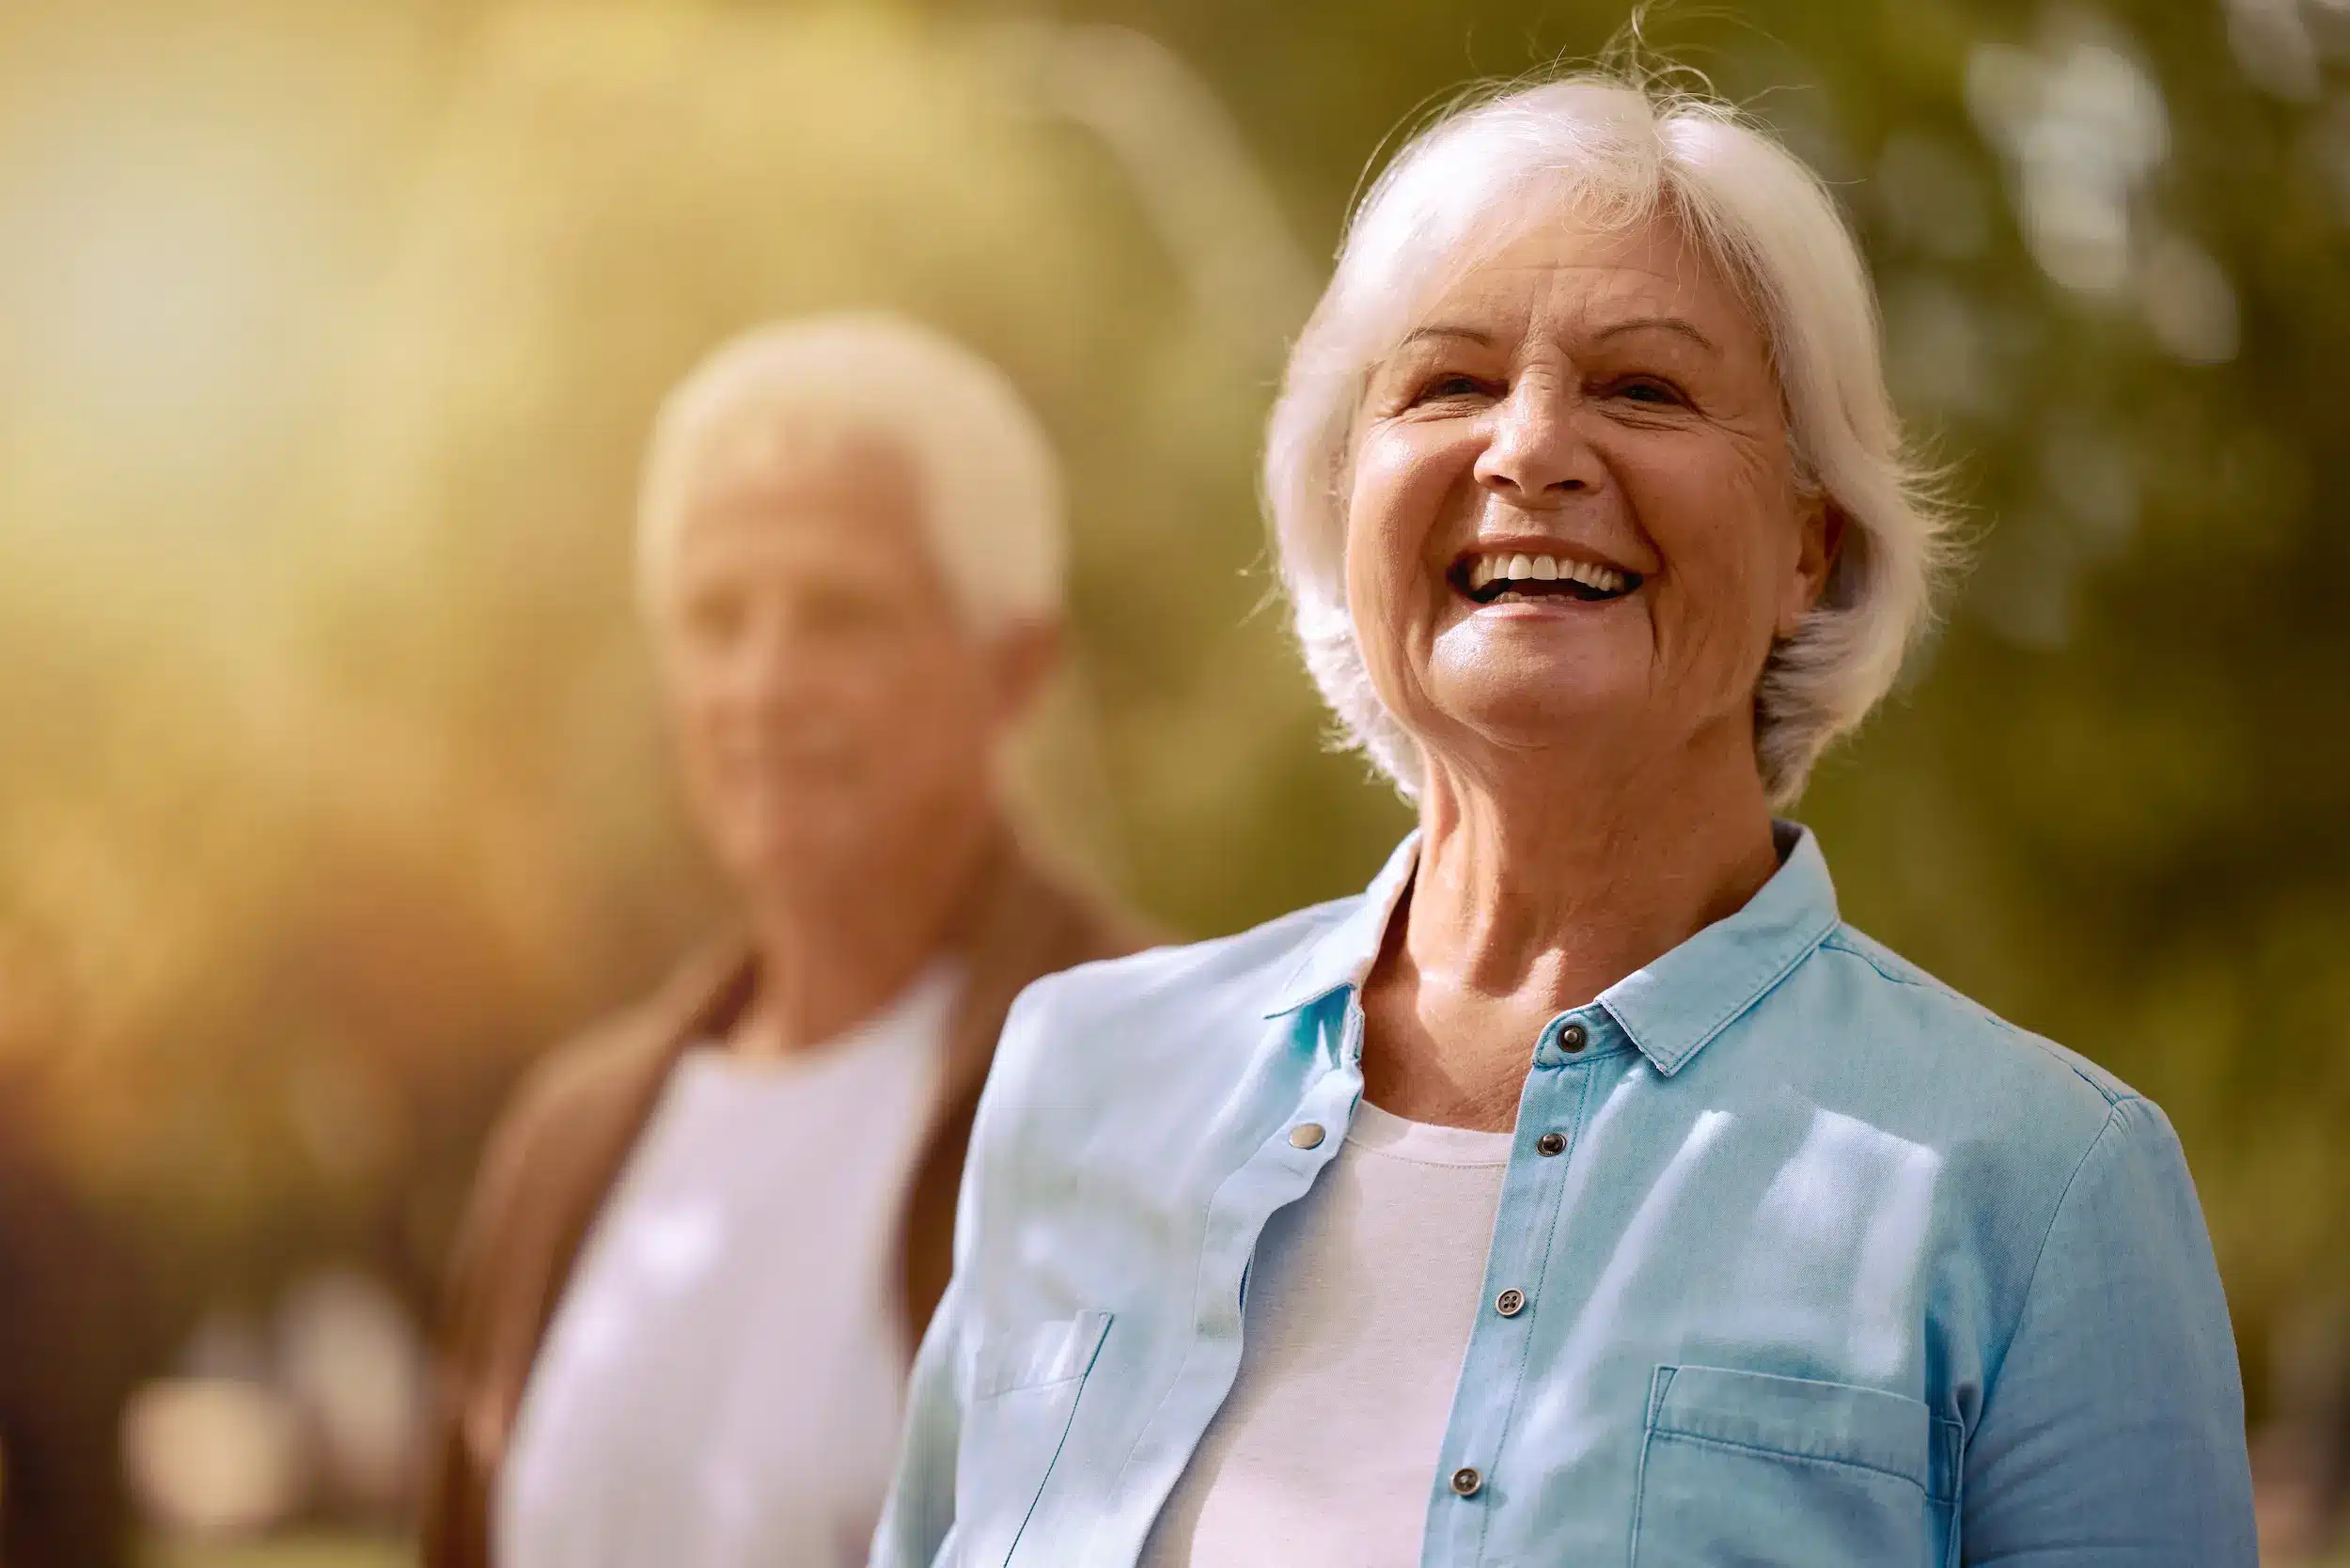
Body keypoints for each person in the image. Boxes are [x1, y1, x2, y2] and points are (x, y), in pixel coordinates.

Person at [873, 74, 2257, 1567]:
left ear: (1812, 544)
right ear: (1348, 501)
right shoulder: (1080, 1080)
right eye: (1449, 385)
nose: (1529, 451)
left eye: (1642, 390)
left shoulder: (2041, 1190)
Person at [420, 314, 1147, 1568]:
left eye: (839, 614)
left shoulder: (1164, 1084)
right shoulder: (567, 1140)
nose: (762, 686)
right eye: (715, 619)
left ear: (1015, 667)